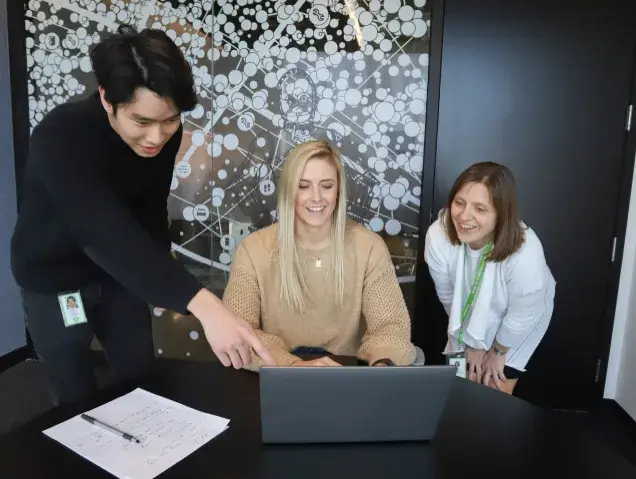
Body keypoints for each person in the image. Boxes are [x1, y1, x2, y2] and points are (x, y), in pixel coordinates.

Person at [10, 25, 273, 406]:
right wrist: (204, 304)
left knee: (138, 372)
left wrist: (159, 275)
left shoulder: (163, 134)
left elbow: (149, 206)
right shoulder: (60, 136)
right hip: (56, 275)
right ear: (106, 98)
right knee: (73, 386)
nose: (156, 137)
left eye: (170, 120)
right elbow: (102, 231)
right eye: (142, 122)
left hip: (119, 272)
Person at [222, 140, 417, 369]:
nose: (316, 197)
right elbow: (238, 333)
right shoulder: (253, 249)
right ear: (288, 190)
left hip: (347, 378)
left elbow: (391, 328)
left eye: (326, 186)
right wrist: (293, 366)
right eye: (303, 186)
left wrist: (382, 367)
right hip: (279, 377)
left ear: (339, 191)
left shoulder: (369, 247)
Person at [424, 162, 555, 394]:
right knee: (461, 392)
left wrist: (497, 351)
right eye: (459, 203)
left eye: (480, 209)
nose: (464, 216)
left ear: (501, 215)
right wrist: (469, 343)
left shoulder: (525, 251)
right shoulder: (438, 235)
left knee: (493, 396)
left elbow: (523, 315)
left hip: (516, 321)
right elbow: (447, 296)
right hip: (467, 315)